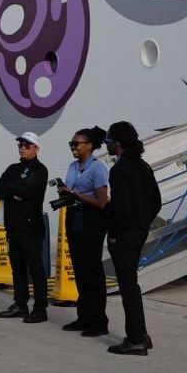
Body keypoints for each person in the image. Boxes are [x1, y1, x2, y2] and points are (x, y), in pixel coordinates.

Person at [104, 121, 161, 356]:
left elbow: (121, 207)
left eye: (108, 141)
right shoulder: (144, 166)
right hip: (139, 232)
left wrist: (114, 233)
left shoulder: (119, 170)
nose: (106, 145)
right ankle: (142, 335)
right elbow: (156, 201)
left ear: (118, 144)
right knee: (132, 284)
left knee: (128, 287)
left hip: (124, 235)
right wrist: (142, 224)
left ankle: (135, 338)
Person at [56, 126, 109, 337]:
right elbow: (73, 192)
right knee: (79, 269)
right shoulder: (72, 166)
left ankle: (98, 321)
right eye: (71, 144)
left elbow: (102, 202)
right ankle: (83, 316)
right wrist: (65, 193)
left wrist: (76, 195)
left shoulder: (98, 168)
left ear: (89, 145)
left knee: (92, 271)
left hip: (91, 221)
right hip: (74, 219)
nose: (73, 147)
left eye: (76, 144)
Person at [0, 132, 50, 323]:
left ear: (36, 148)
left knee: (35, 268)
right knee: (17, 268)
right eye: (20, 145)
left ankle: (40, 308)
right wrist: (13, 194)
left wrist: (11, 191)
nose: (22, 148)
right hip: (13, 226)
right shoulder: (13, 168)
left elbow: (25, 190)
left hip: (30, 227)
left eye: (27, 145)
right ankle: (20, 304)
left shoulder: (40, 170)